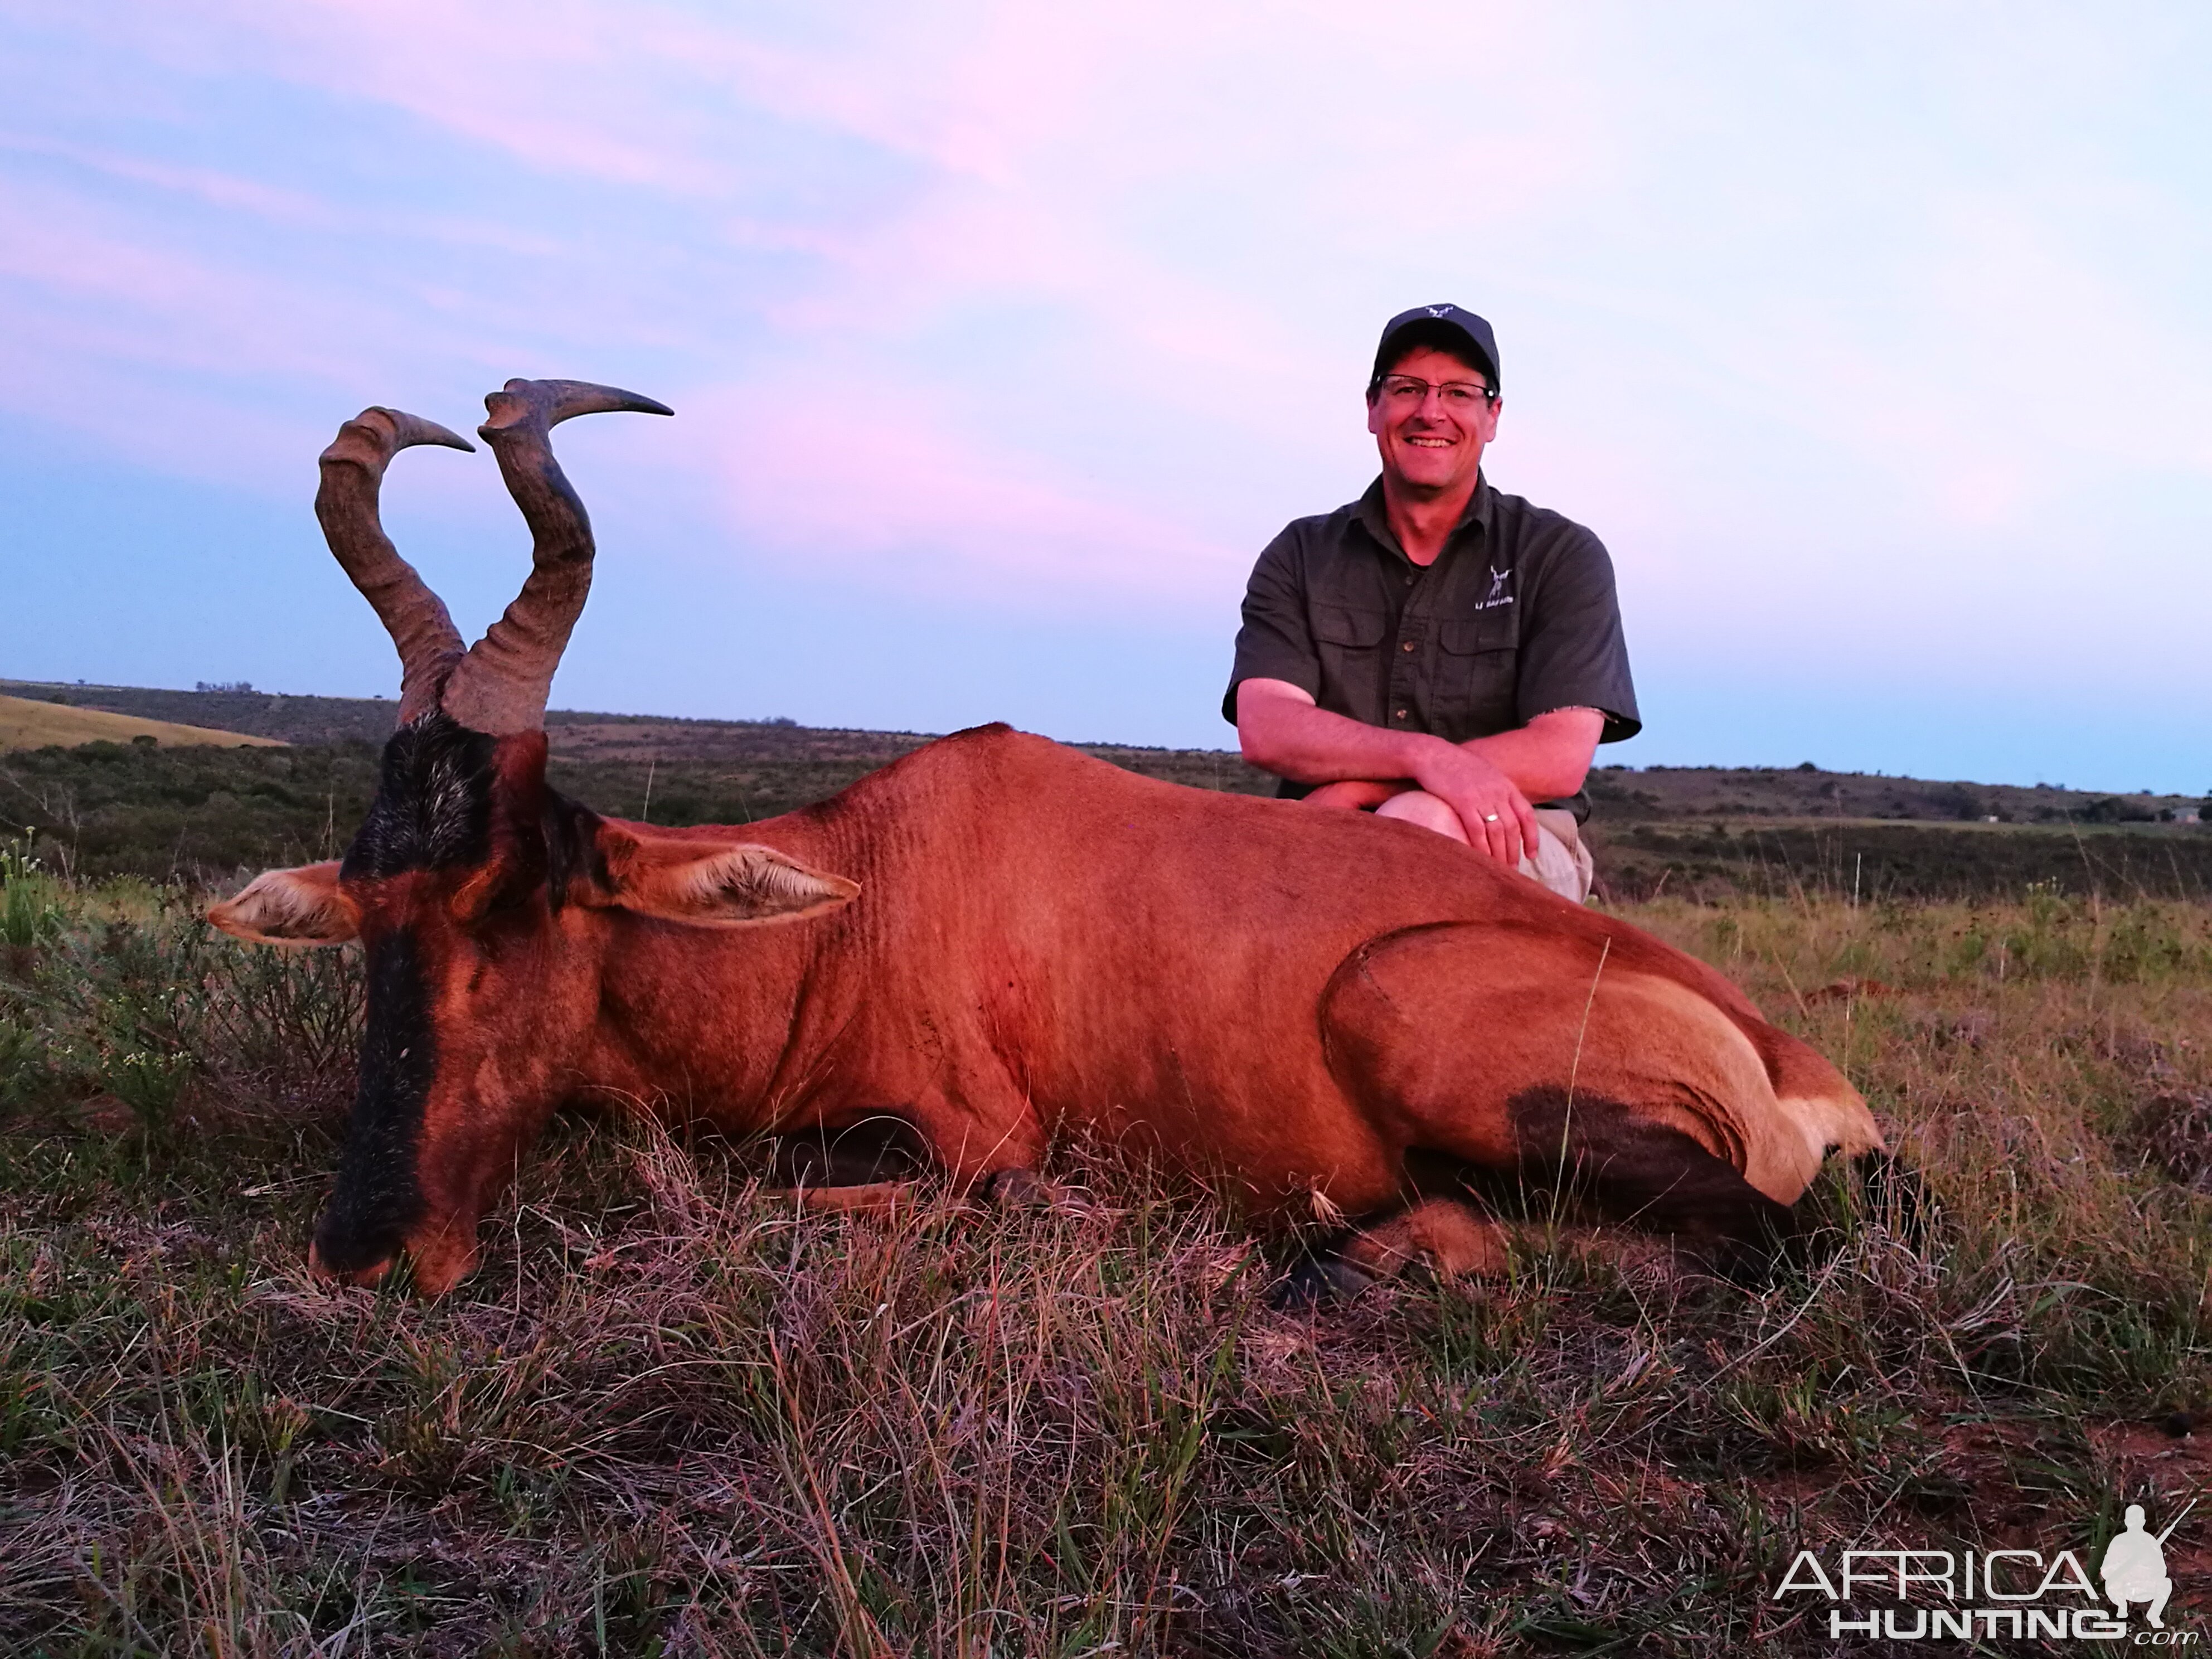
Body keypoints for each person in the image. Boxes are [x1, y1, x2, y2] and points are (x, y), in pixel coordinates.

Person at [1223, 303, 1638, 903]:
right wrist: (1422, 756)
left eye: (1458, 392)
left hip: (1513, 832)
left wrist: (1367, 789)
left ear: (1491, 416)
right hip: (1320, 837)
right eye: (1407, 388)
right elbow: (1267, 729)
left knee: (1420, 823)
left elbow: (1558, 756)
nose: (1430, 411)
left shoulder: (1559, 555)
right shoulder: (1300, 553)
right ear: (1372, 408)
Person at [2101, 1504, 2173, 1627]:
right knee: (2110, 1584)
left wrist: (2146, 1570)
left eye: (2137, 1519)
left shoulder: (2150, 1541)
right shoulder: (2119, 1541)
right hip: (2123, 1587)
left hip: (2145, 1585)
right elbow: (2106, 1569)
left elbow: (2162, 1570)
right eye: (2132, 1519)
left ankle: (2154, 1615)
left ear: (2143, 1521)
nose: (2134, 1523)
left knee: (2166, 1584)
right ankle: (2122, 1607)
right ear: (2126, 1522)